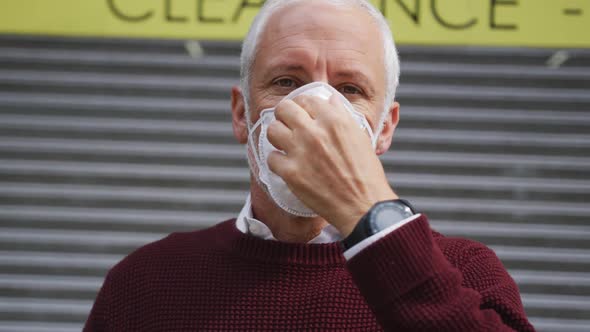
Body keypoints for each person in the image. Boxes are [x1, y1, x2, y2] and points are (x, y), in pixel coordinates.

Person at [84, 0, 535, 331]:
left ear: (384, 128)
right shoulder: (146, 282)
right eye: (287, 82)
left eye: (351, 90)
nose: (318, 108)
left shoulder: (465, 274)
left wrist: (371, 216)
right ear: (242, 114)